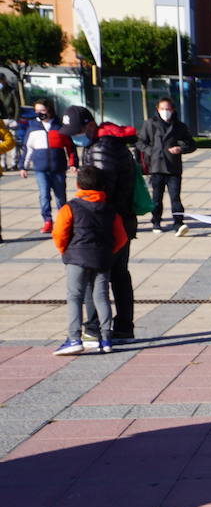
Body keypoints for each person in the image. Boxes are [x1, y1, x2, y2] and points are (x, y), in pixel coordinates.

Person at [61, 106, 140, 345]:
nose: (75, 137)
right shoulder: (104, 143)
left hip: (107, 223)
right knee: (118, 275)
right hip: (119, 220)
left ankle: (95, 329)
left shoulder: (102, 148)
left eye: (77, 131)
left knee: (94, 274)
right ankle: (122, 327)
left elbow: (100, 193)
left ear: (90, 125)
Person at [51, 165, 129, 356]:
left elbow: (59, 233)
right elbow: (121, 238)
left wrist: (65, 251)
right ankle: (106, 338)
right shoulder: (109, 209)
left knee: (74, 297)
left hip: (77, 258)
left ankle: (74, 339)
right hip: (102, 259)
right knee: (101, 296)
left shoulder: (70, 207)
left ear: (78, 185)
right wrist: (109, 252)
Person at [136, 97, 196, 235]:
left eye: (168, 109)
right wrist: (151, 151)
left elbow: (191, 144)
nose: (165, 112)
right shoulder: (150, 124)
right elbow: (140, 142)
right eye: (162, 109)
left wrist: (181, 149)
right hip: (156, 167)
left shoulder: (179, 126)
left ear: (173, 110)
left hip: (173, 168)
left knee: (175, 197)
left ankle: (178, 223)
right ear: (157, 109)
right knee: (157, 198)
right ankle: (156, 221)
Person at [18, 98, 75, 234]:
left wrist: (73, 163)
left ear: (49, 110)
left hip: (58, 168)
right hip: (41, 169)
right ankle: (47, 221)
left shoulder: (59, 127)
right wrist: (23, 166)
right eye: (37, 111)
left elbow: (70, 147)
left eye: (42, 110)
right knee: (44, 196)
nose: (40, 113)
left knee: (60, 197)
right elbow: (28, 148)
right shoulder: (33, 127)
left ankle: (63, 221)